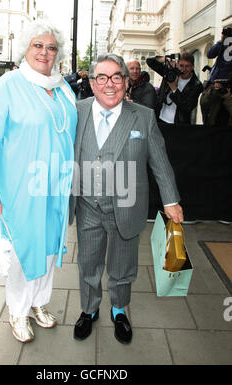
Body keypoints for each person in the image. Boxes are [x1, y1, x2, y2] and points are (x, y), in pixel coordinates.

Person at [0, 20, 77, 343]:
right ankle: (17, 310)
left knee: (48, 246)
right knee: (22, 249)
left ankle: (38, 303)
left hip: (54, 187)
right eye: (38, 45)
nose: (45, 53)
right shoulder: (8, 85)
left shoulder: (62, 87)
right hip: (19, 187)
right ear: (26, 48)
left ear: (58, 54)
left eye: (51, 47)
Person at [69, 53, 183, 344]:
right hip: (87, 207)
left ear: (126, 81)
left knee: (122, 267)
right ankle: (89, 310)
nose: (110, 84)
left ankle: (119, 310)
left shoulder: (143, 116)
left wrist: (171, 200)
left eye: (116, 77)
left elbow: (160, 161)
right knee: (88, 263)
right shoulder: (75, 112)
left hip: (126, 208)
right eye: (102, 78)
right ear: (92, 83)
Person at [146, 52, 203, 124]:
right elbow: (150, 61)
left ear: (192, 67)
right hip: (160, 119)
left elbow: (188, 107)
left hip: (179, 124)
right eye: (181, 66)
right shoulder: (171, 73)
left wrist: (174, 89)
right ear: (178, 64)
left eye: (187, 66)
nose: (184, 69)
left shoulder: (196, 85)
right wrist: (165, 59)